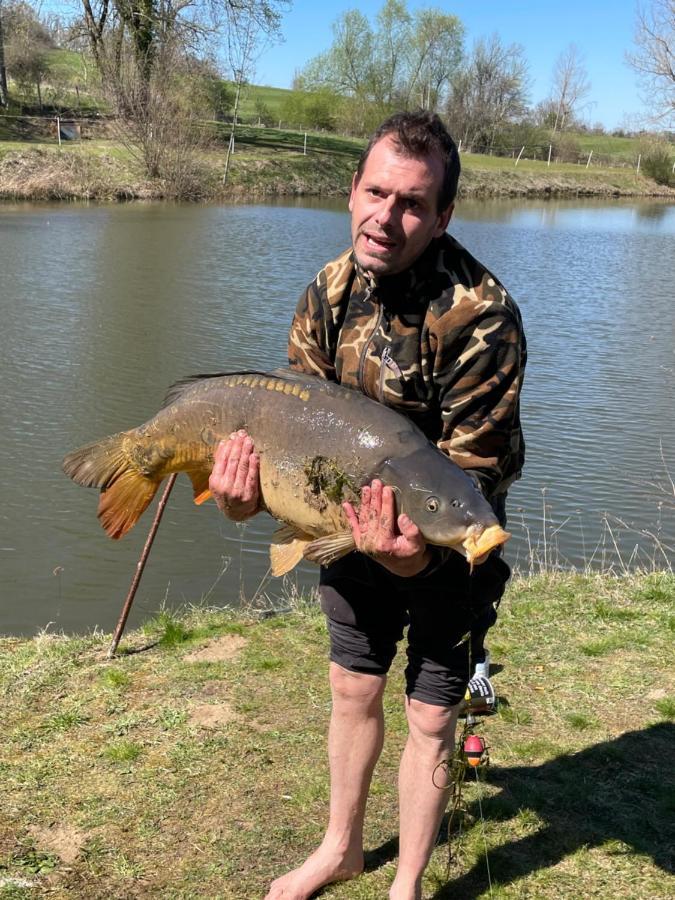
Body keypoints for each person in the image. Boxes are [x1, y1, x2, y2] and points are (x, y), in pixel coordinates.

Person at [209, 111, 526, 900]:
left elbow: (472, 479)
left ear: (442, 216)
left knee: (428, 714)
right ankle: (341, 848)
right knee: (352, 687)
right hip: (348, 524)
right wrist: (244, 499)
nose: (386, 217)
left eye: (412, 203)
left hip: (453, 532)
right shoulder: (326, 289)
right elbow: (290, 452)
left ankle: (407, 883)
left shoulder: (482, 316)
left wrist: (415, 552)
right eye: (375, 192)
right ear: (351, 192)